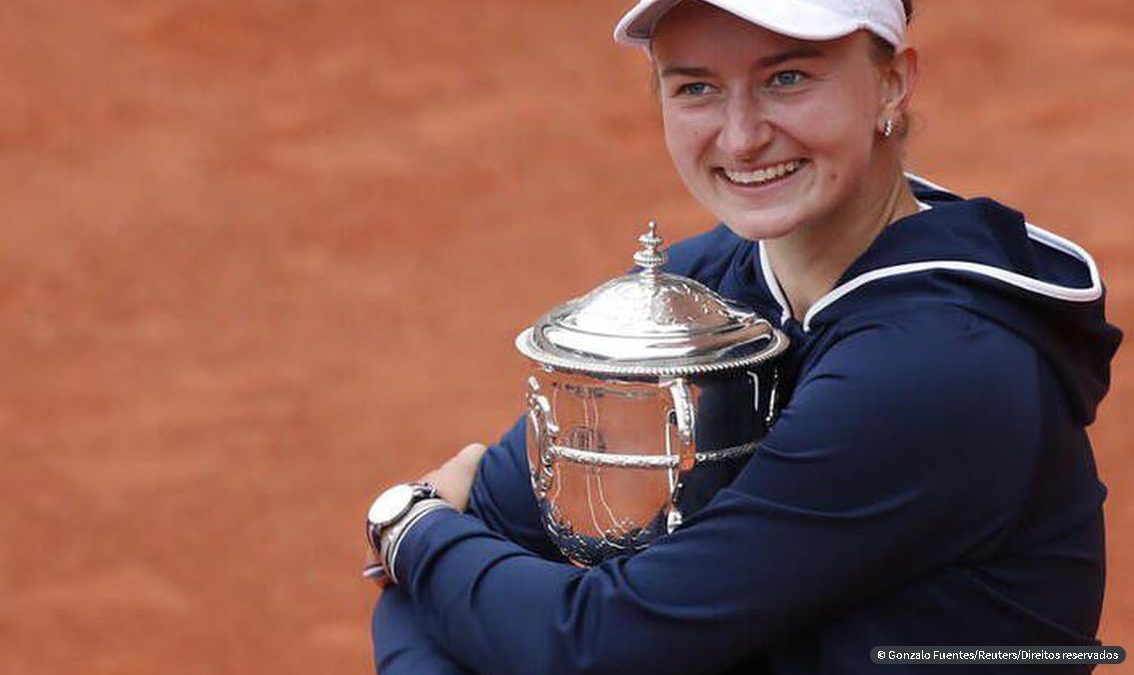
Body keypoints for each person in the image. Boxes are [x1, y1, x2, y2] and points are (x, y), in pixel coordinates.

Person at [364, 1, 1123, 673]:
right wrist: (442, 565)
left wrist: (407, 526)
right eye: (695, 86)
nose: (742, 135)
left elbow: (592, 643)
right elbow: (447, 585)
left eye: (787, 78)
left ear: (892, 83)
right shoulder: (707, 290)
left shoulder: (935, 367)